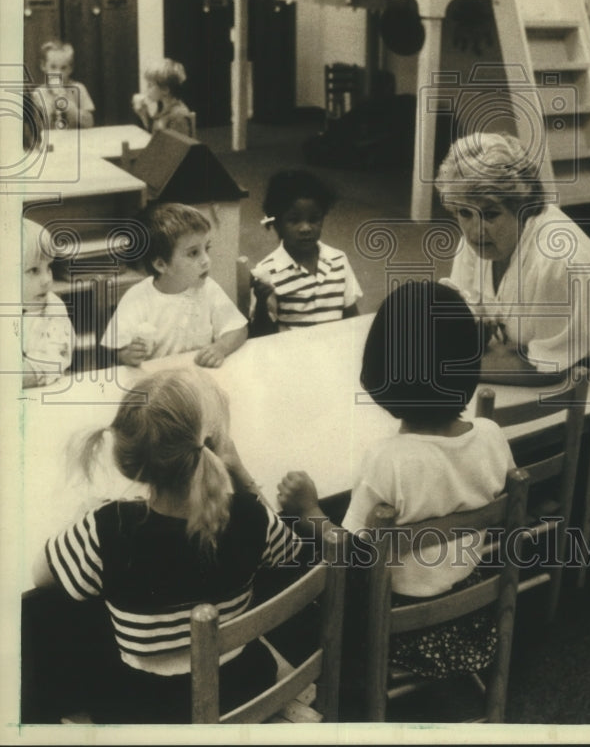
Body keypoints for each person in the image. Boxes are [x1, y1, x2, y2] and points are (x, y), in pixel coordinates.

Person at [31, 367, 303, 723]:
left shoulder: (106, 527)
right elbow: (290, 550)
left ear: (130, 461)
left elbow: (41, 576)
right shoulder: (250, 515)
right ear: (211, 447)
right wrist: (238, 470)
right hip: (242, 688)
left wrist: (86, 520)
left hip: (150, 711)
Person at [279, 279, 515, 680]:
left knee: (299, 559)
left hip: (399, 625)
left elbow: (352, 553)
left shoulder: (386, 461)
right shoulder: (492, 435)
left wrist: (308, 510)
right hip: (473, 609)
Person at [434, 132, 590, 383]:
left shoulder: (556, 260)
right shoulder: (479, 240)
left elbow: (548, 370)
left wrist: (444, 368)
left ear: (523, 207)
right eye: (464, 212)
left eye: (492, 214)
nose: (476, 230)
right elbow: (464, 309)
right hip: (527, 347)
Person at [101, 202, 247, 367]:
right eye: (193, 253)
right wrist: (127, 355)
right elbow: (115, 349)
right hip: (155, 382)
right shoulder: (138, 297)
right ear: (161, 265)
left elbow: (238, 329)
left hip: (197, 376)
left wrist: (220, 347)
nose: (206, 260)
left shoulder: (208, 289)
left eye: (207, 248)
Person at [250, 169, 363, 336]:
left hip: (334, 348)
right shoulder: (267, 271)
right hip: (293, 354)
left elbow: (351, 315)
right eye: (294, 220)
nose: (305, 228)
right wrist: (261, 301)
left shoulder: (338, 259)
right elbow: (261, 335)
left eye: (313, 219)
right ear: (277, 223)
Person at [22, 217, 74, 388]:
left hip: (43, 395)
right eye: (34, 270)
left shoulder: (53, 309)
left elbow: (51, 363)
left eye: (49, 267)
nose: (47, 279)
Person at [31, 40, 95, 129]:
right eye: (53, 67)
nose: (58, 73)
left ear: (70, 69)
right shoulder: (38, 93)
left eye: (63, 68)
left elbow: (90, 122)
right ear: (43, 66)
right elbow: (36, 128)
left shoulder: (78, 89)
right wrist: (48, 111)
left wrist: (70, 107)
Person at [132, 59, 194, 137]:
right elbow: (155, 133)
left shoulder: (178, 116)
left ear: (165, 90)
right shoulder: (162, 108)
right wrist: (143, 113)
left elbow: (177, 147)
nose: (146, 89)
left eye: (150, 85)